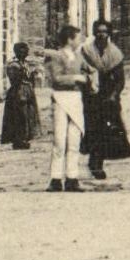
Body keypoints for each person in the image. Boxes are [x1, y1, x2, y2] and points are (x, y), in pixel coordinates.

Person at [81, 19, 130, 177]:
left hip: (108, 96)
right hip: (91, 95)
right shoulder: (86, 51)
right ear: (94, 32)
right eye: (98, 31)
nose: (101, 34)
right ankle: (94, 160)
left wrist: (114, 95)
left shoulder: (115, 54)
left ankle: (97, 162)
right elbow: (81, 70)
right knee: (92, 129)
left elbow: (120, 80)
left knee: (106, 131)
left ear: (109, 33)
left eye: (104, 31)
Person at [43, 25, 90, 191]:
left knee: (74, 139)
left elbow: (90, 70)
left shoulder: (79, 57)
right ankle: (55, 178)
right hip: (61, 98)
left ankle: (72, 178)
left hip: (76, 99)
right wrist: (76, 77)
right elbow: (56, 78)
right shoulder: (57, 56)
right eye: (78, 37)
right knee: (59, 141)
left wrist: (91, 78)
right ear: (70, 39)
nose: (80, 40)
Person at [0, 42, 40, 150]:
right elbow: (14, 79)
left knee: (27, 116)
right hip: (17, 92)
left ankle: (24, 138)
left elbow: (30, 78)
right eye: (23, 50)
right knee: (18, 116)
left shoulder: (26, 63)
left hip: (27, 91)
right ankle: (18, 140)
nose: (26, 52)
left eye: (26, 50)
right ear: (18, 51)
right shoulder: (13, 64)